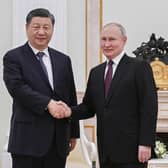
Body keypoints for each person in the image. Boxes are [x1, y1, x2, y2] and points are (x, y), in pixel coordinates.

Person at [59, 22, 158, 168]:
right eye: (103, 39)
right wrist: (69, 111)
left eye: (112, 39)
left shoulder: (139, 68)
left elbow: (149, 107)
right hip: (105, 151)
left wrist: (146, 143)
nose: (107, 44)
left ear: (124, 41)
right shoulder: (96, 72)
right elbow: (88, 107)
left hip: (133, 151)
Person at [3, 8, 79, 168]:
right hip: (27, 141)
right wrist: (48, 103)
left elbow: (70, 96)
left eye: (46, 27)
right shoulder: (13, 57)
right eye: (36, 27)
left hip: (58, 141)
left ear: (52, 29)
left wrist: (73, 133)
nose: (41, 32)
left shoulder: (63, 60)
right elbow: (17, 88)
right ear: (26, 28)